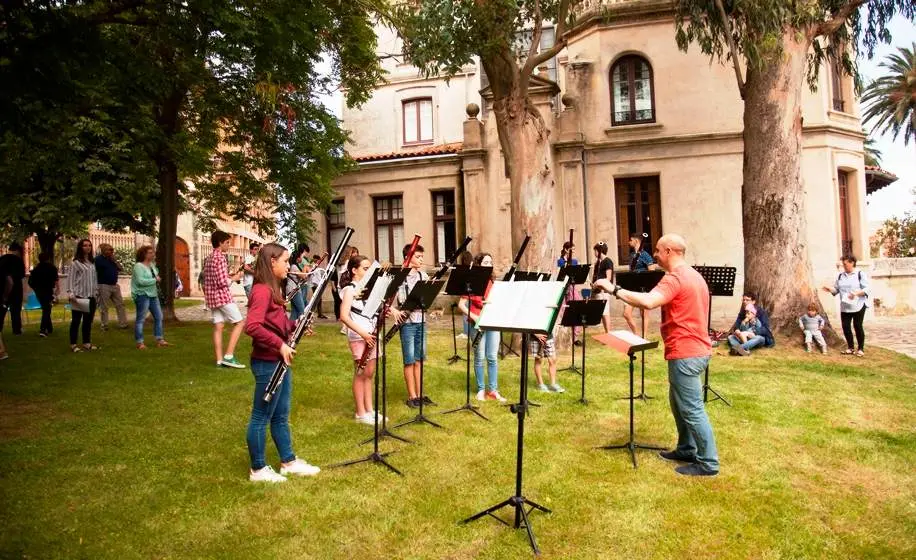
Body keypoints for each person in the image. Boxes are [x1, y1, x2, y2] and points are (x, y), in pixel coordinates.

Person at [594, 233, 719, 477]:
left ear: (671, 251)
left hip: (686, 352)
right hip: (693, 349)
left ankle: (708, 463)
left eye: (659, 251)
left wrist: (613, 288)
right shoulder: (694, 276)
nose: (656, 255)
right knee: (678, 402)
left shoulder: (675, 278)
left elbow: (650, 302)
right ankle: (686, 448)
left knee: (692, 409)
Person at [244, 242, 321, 482]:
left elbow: (277, 325)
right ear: (272, 262)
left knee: (280, 415)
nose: (289, 265)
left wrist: (295, 326)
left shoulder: (273, 290)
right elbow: (253, 326)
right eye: (286, 261)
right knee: (261, 416)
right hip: (267, 362)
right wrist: (279, 345)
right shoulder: (261, 291)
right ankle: (258, 469)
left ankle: (288, 461)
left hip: (279, 360)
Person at [339, 254, 386, 425]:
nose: (368, 272)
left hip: (372, 334)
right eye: (365, 269)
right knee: (360, 373)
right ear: (354, 270)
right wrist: (363, 334)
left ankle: (370, 410)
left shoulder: (368, 289)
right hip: (359, 336)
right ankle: (360, 412)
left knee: (369, 374)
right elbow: (344, 316)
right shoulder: (349, 290)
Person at [458, 252, 507, 403]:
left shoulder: (493, 282)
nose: (489, 265)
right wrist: (473, 316)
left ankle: (493, 389)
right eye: (486, 262)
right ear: (479, 264)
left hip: (492, 322)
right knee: (479, 357)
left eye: (490, 262)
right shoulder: (472, 281)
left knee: (492, 357)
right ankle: (481, 389)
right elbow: (461, 305)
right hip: (477, 323)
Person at [204, 231, 246, 368]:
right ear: (220, 243)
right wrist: (234, 278)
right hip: (222, 297)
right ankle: (229, 356)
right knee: (239, 323)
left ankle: (219, 360)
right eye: (227, 242)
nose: (229, 245)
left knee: (218, 326)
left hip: (211, 298)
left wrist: (230, 276)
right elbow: (222, 282)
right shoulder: (220, 258)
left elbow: (215, 278)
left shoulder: (210, 257)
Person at [397, 244, 431, 408]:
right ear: (408, 258)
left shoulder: (423, 275)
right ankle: (412, 396)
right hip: (407, 323)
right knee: (409, 360)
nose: (421, 259)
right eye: (418, 256)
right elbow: (389, 299)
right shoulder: (400, 277)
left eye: (421, 256)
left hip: (421, 320)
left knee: (420, 359)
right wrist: (396, 311)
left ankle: (420, 394)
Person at [822, 254, 869, 356]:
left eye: (846, 264)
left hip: (858, 305)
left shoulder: (860, 274)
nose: (844, 266)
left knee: (857, 326)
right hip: (845, 306)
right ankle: (850, 347)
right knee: (846, 326)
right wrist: (830, 289)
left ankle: (860, 349)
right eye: (843, 264)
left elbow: (866, 289)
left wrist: (856, 293)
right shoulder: (840, 275)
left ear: (852, 263)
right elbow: (836, 290)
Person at [131, 245, 169, 350]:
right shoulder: (138, 266)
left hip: (153, 294)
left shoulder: (152, 265)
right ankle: (140, 342)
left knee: (159, 317)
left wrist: (156, 279)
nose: (152, 254)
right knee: (141, 319)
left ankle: (159, 339)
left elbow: (155, 277)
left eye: (153, 252)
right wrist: (155, 280)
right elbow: (140, 281)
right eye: (150, 252)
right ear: (144, 254)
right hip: (142, 295)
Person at [68, 239, 99, 352]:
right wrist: (71, 293)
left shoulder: (92, 262)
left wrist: (96, 291)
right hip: (79, 295)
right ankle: (73, 344)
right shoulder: (76, 263)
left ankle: (86, 342)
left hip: (91, 295)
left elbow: (94, 278)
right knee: (76, 321)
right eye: (85, 245)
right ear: (80, 247)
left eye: (89, 245)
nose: (88, 247)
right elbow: (70, 279)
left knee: (87, 321)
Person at [623, 233, 656, 335]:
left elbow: (652, 270)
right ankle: (636, 335)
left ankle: (644, 337)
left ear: (636, 241)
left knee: (644, 314)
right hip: (633, 288)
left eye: (630, 240)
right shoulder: (632, 255)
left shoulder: (645, 255)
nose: (629, 242)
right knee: (626, 314)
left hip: (643, 288)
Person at [94, 243, 128, 330]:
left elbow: (121, 269)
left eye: (112, 250)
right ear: (103, 251)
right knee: (104, 306)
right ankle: (104, 325)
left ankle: (123, 324)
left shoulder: (113, 259)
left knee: (120, 305)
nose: (111, 251)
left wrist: (115, 261)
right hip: (103, 285)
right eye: (109, 250)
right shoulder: (98, 260)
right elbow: (94, 272)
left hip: (115, 285)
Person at [28, 252, 59, 337]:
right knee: (46, 309)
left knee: (46, 308)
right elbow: (56, 279)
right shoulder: (51, 268)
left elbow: (30, 282)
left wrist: (35, 289)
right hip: (48, 290)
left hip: (39, 291)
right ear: (48, 258)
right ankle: (43, 330)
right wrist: (57, 290)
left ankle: (49, 328)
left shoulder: (36, 268)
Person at [0, 242, 26, 335]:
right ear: (18, 251)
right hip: (15, 290)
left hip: (2, 290)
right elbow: (15, 279)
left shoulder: (2, 259)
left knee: (2, 310)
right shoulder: (18, 261)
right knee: (15, 311)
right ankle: (17, 330)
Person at [590, 241, 615, 333]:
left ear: (599, 251)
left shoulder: (607, 261)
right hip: (597, 290)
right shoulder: (598, 262)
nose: (594, 253)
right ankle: (606, 332)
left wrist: (600, 285)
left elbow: (608, 278)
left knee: (605, 312)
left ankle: (608, 333)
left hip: (603, 291)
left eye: (595, 251)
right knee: (601, 312)